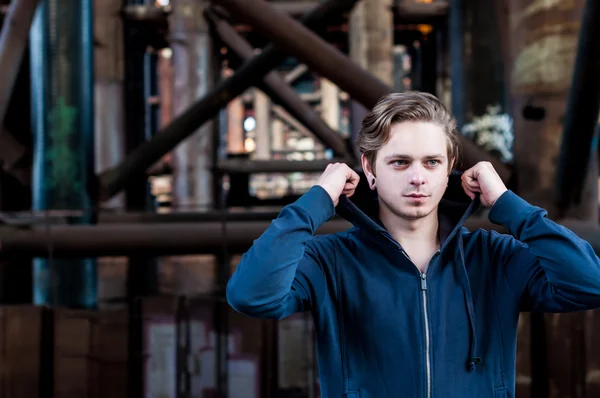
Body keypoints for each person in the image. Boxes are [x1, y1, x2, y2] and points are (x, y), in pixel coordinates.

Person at [226, 91, 600, 397]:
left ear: (450, 163)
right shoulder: (330, 261)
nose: (418, 178)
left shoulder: (493, 256)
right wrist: (318, 200)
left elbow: (589, 284)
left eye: (432, 162)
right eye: (400, 163)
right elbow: (251, 296)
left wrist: (508, 205)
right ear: (369, 169)